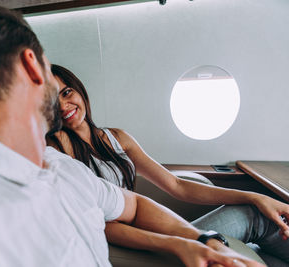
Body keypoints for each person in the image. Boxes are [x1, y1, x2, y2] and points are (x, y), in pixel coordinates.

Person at [0, 5, 265, 267]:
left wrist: (198, 242)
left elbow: (133, 205)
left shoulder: (63, 169)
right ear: (32, 65)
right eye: (52, 69)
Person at [47, 64, 289, 265]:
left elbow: (176, 185)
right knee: (254, 217)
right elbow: (102, 223)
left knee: (262, 238)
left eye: (67, 93)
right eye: (53, 103)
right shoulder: (58, 153)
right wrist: (178, 242)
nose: (64, 106)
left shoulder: (116, 138)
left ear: (79, 89)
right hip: (128, 245)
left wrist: (252, 195)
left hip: (153, 227)